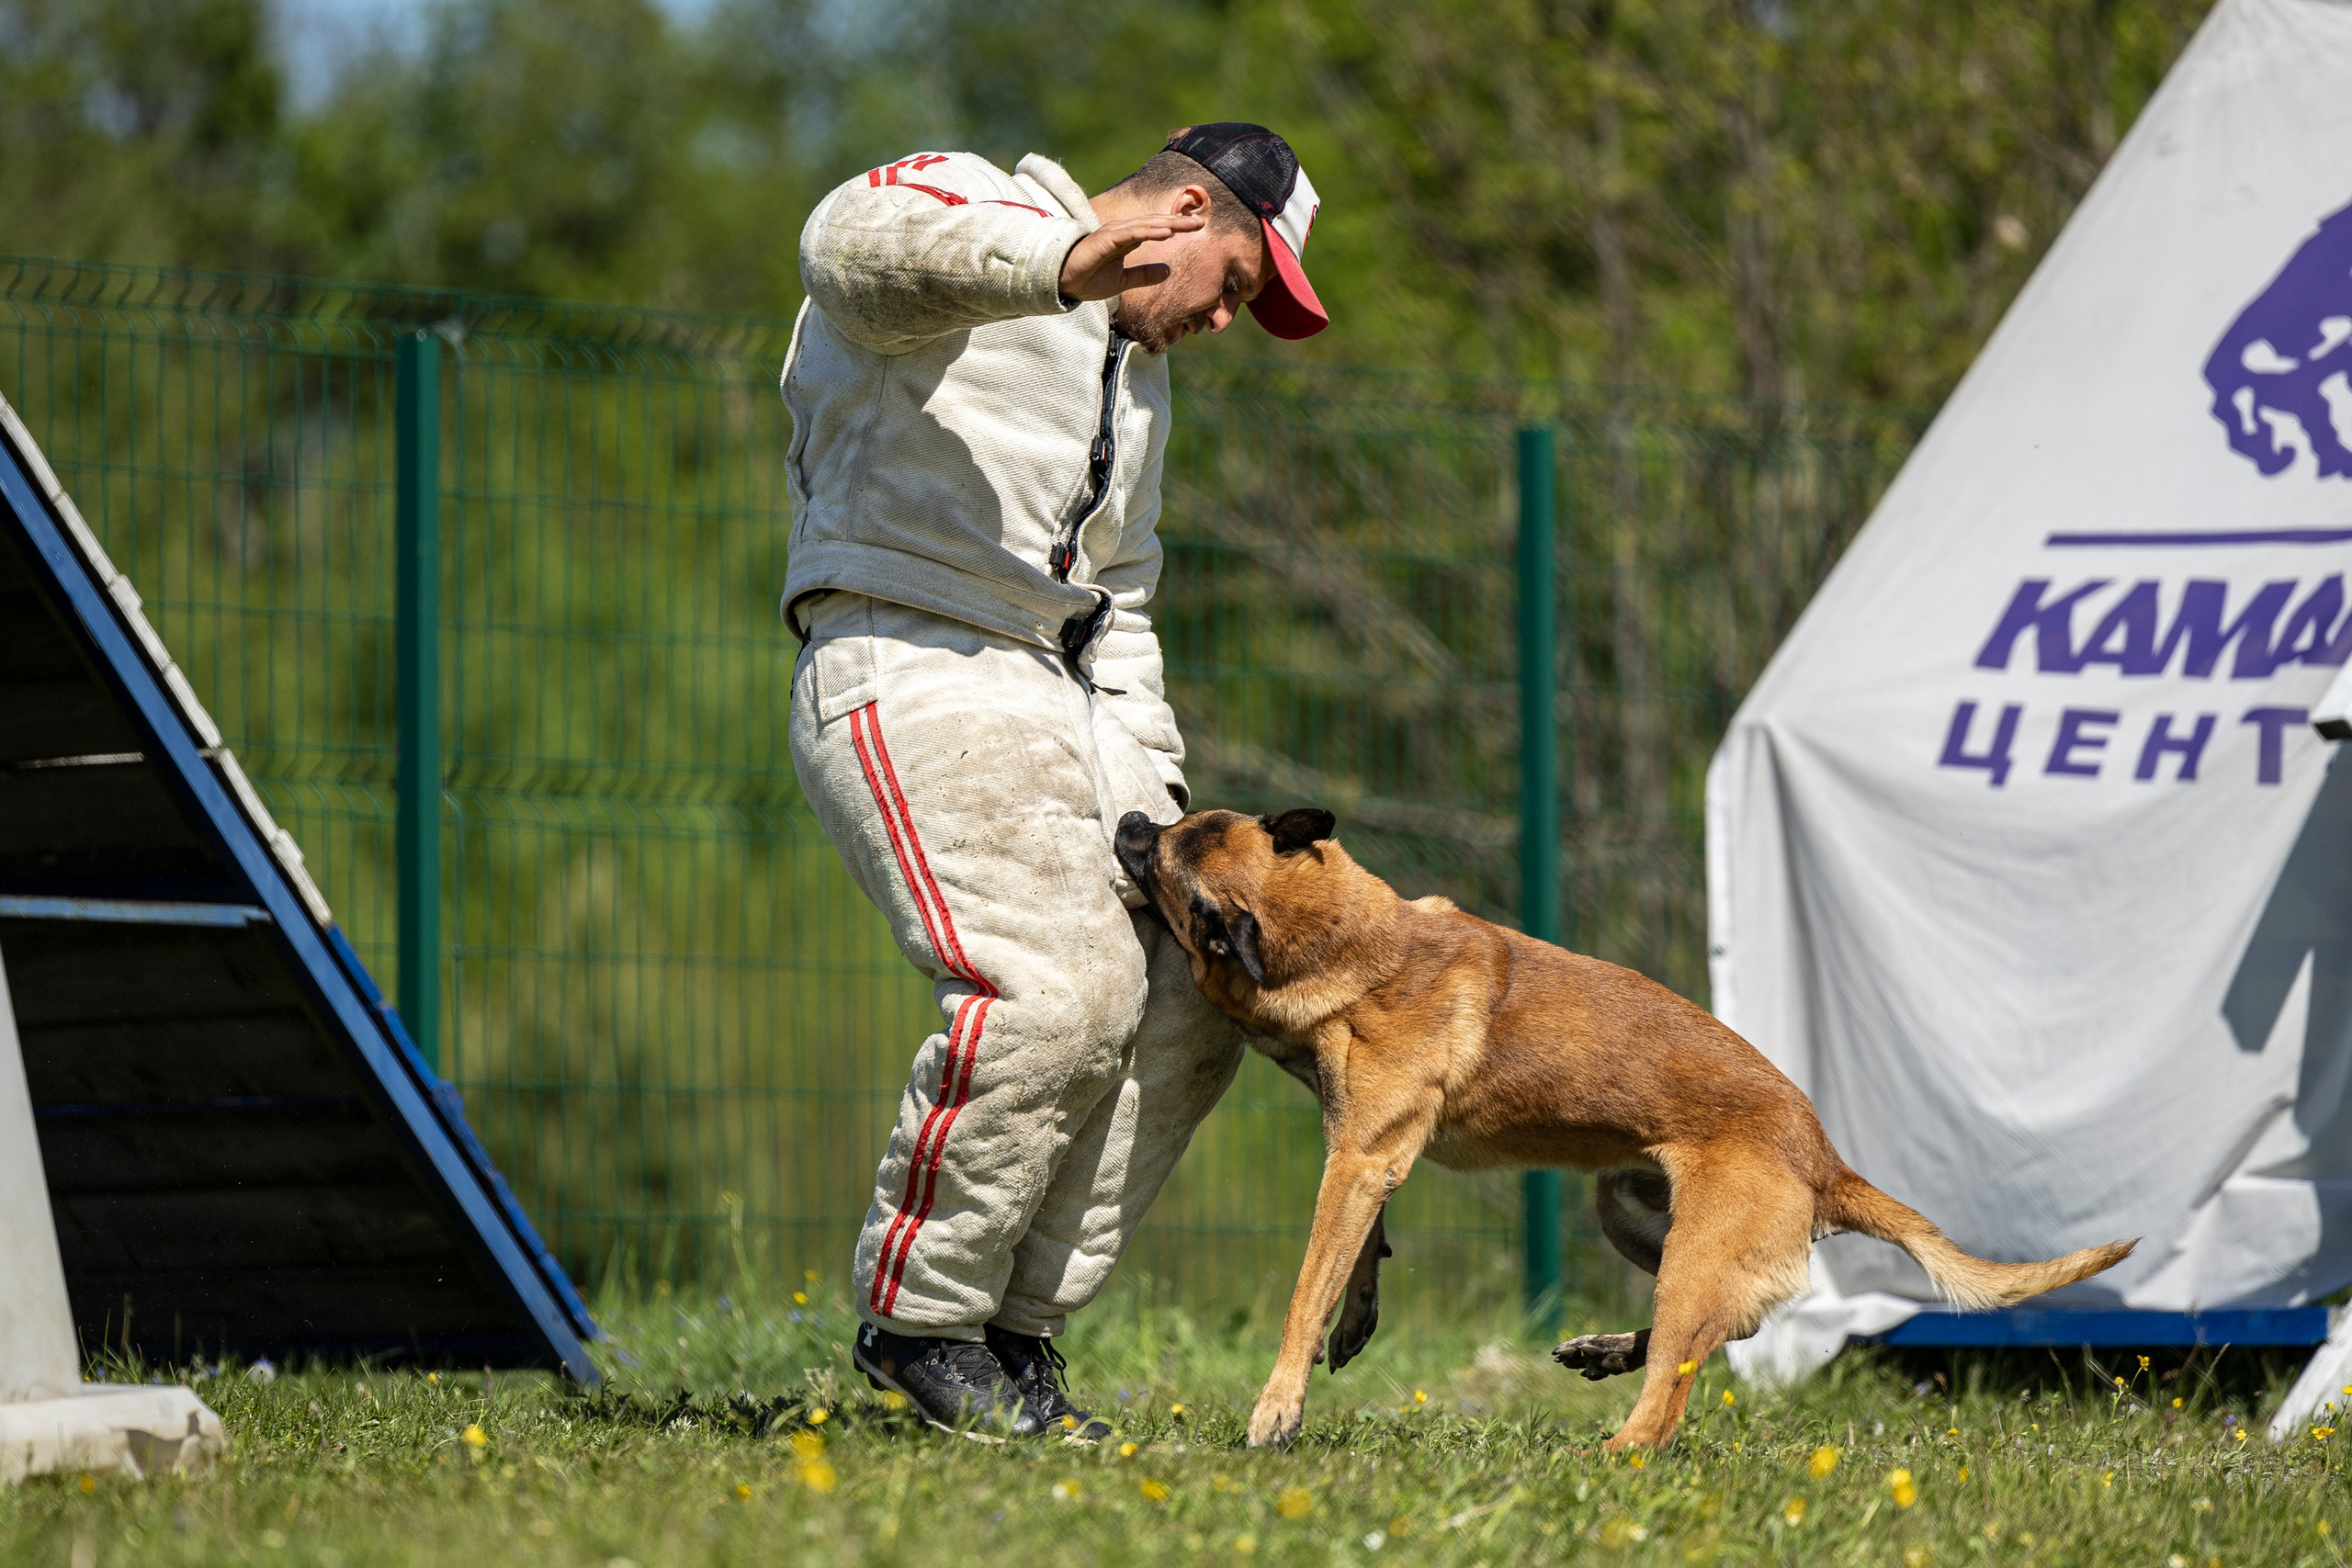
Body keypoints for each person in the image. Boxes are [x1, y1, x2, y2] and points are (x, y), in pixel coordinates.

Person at [780, 124, 1328, 1439]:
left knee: (1203, 1000)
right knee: (1056, 987)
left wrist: (1160, 815)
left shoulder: (1138, 389)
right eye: (1237, 286)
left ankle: (1014, 1339)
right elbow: (845, 251)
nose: (1224, 321)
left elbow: (1117, 604)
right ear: (1184, 213)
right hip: (903, 645)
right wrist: (1064, 262)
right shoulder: (970, 203)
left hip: (1054, 691)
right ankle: (922, 1320)